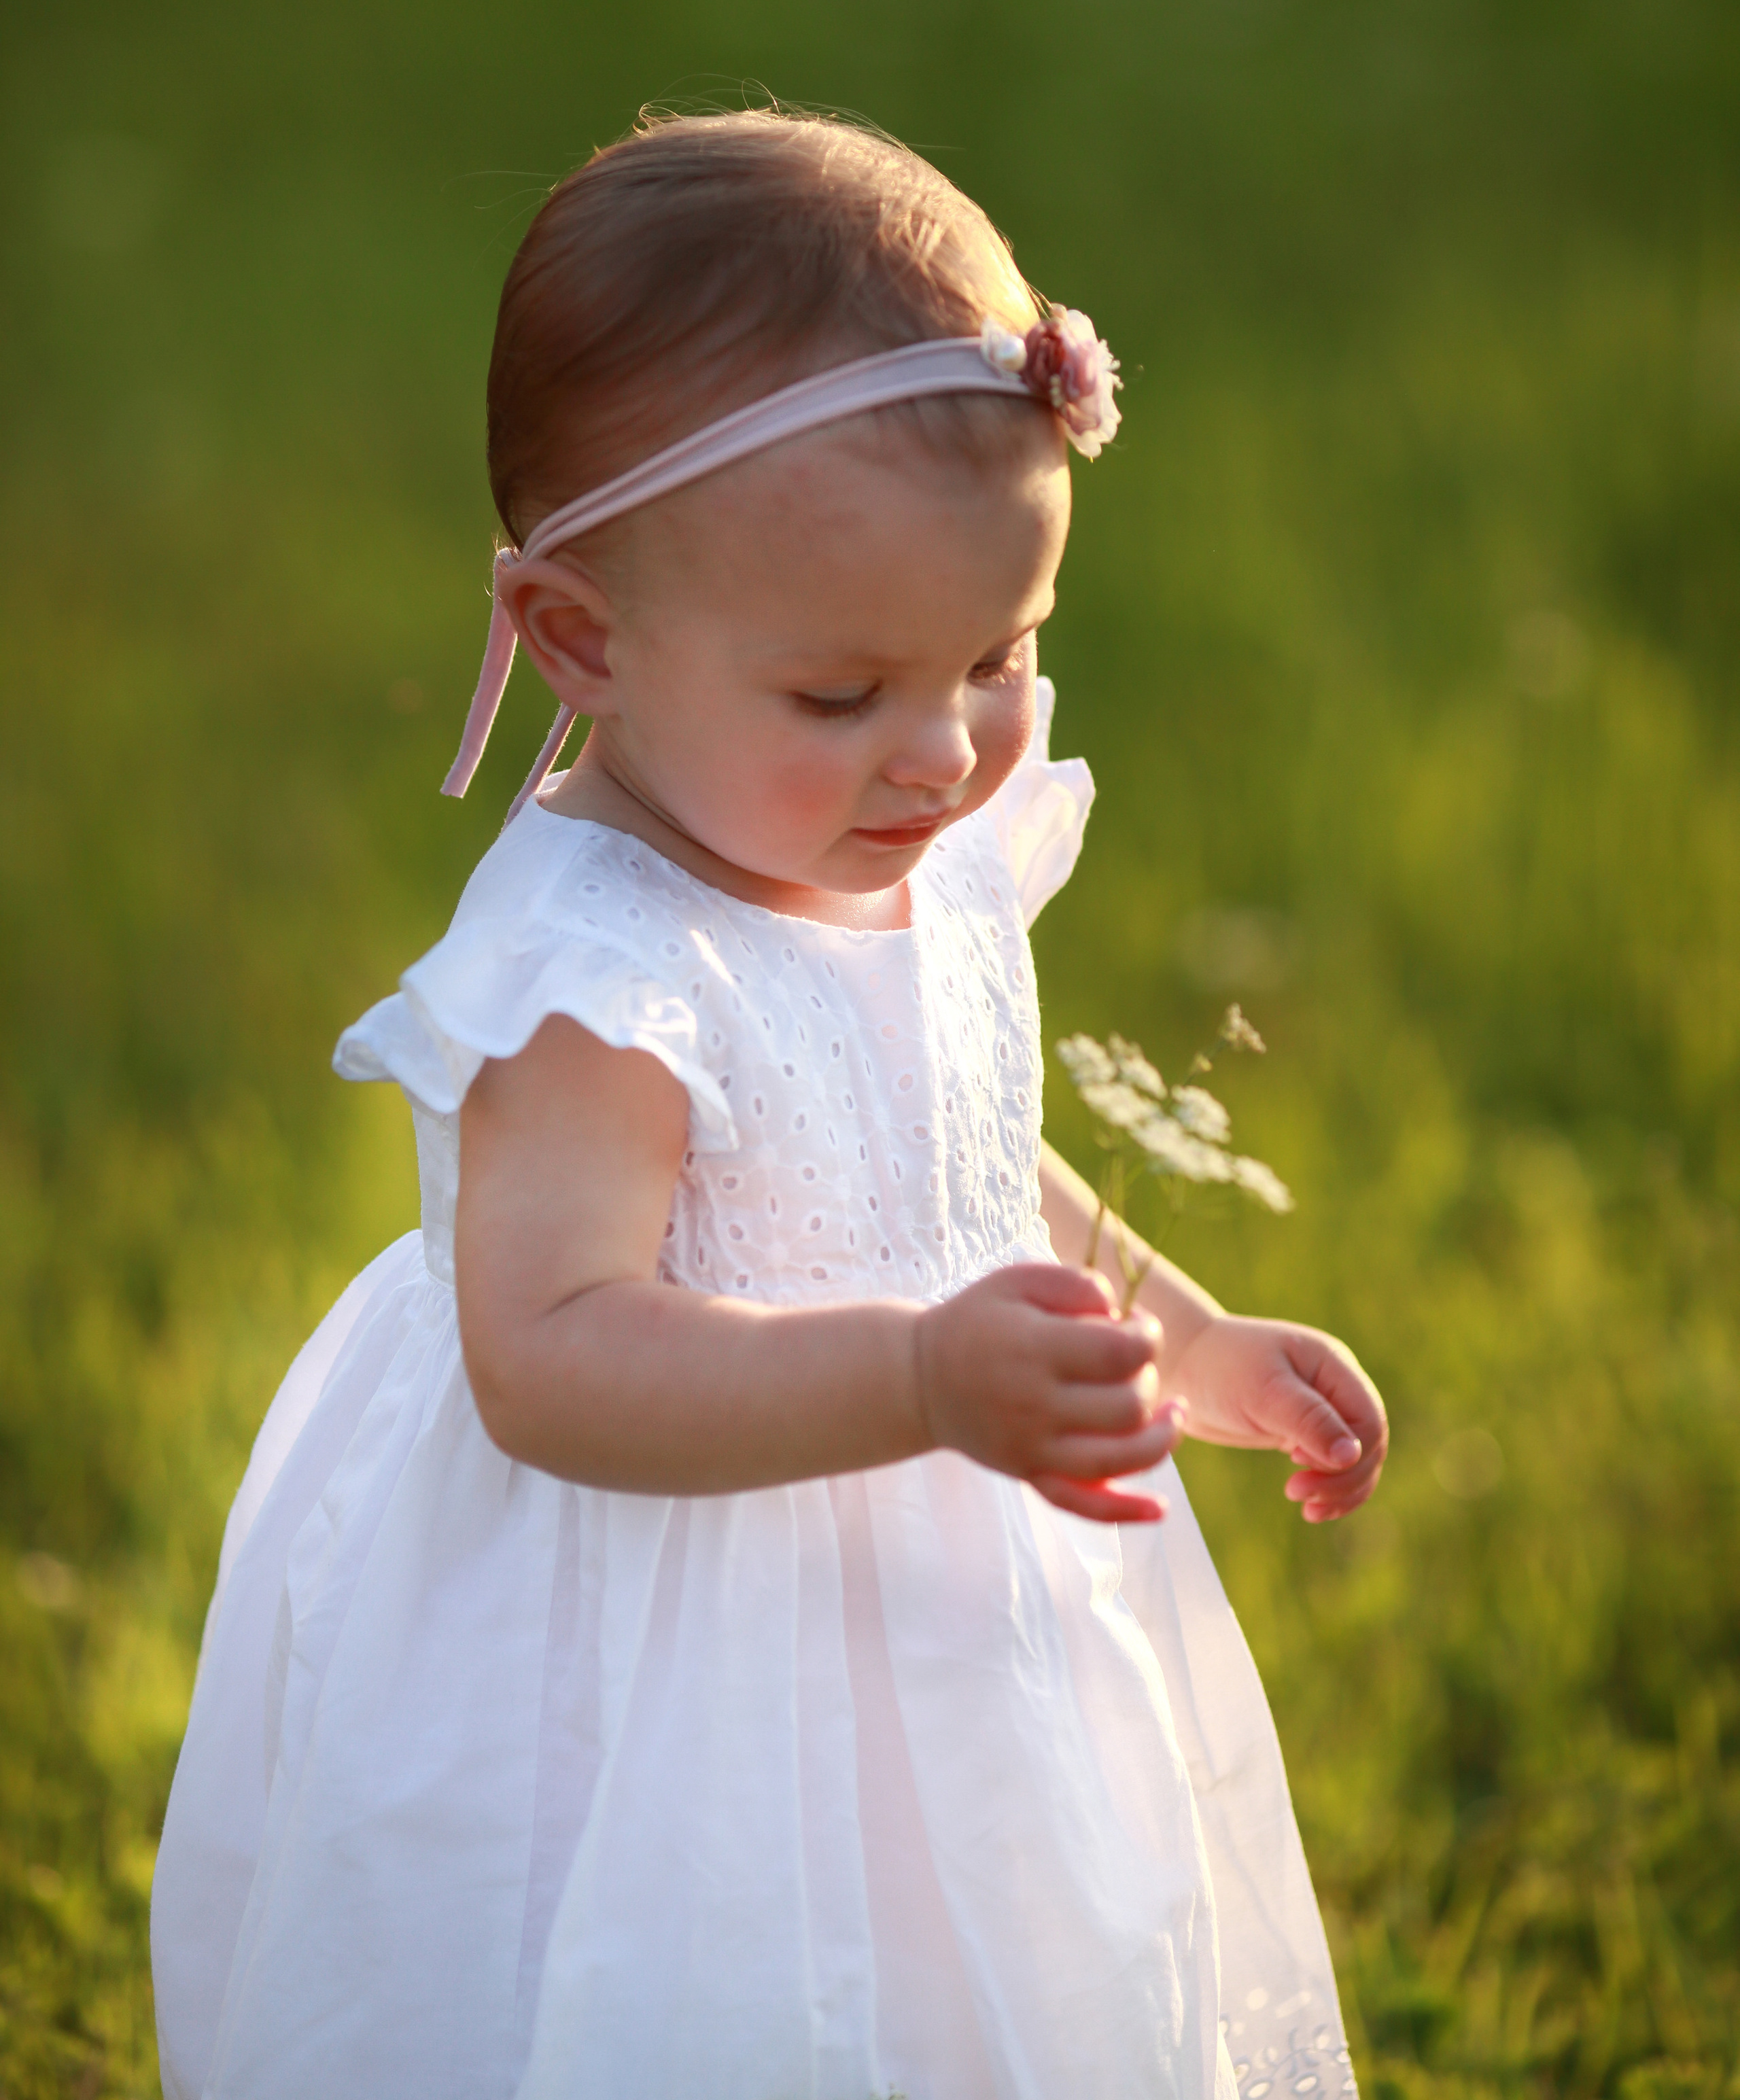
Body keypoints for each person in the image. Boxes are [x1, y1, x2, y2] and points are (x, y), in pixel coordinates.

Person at [152, 108, 1387, 2100]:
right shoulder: (599, 974)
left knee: (964, 1969)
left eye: (1002, 654)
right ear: (581, 638)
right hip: (661, 1646)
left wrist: (1189, 1340)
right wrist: (912, 1379)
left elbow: (968, 1155)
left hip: (940, 1590)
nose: (947, 754)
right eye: (842, 697)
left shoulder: (918, 850)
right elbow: (547, 1354)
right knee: (703, 1998)